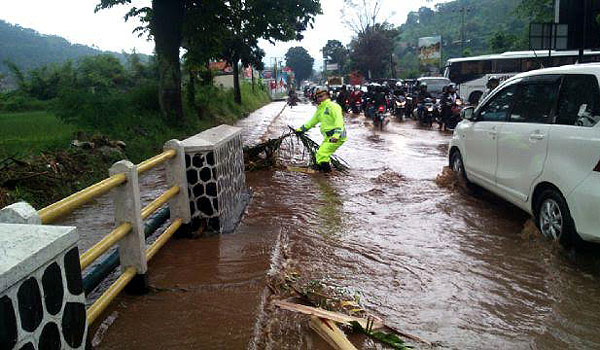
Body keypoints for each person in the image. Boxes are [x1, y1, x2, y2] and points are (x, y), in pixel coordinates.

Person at [296, 87, 347, 173]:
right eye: (318, 97)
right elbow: (312, 121)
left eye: (321, 96)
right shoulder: (320, 109)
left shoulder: (333, 106)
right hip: (328, 137)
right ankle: (322, 173)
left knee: (322, 154)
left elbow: (339, 121)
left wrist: (336, 135)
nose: (319, 98)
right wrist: (301, 129)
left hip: (337, 136)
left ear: (327, 95)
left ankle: (327, 177)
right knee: (319, 155)